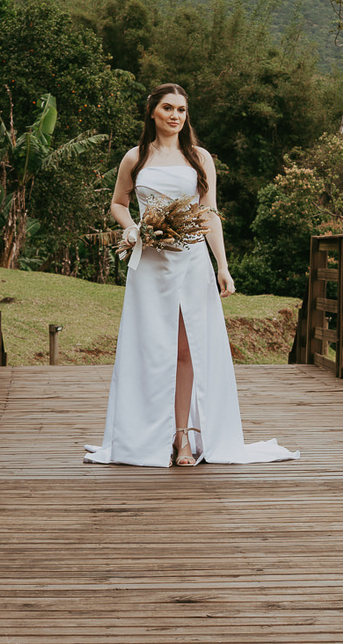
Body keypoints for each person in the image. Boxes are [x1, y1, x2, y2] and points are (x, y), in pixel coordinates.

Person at [83, 83, 297, 467]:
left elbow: (208, 214)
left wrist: (223, 266)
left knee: (186, 349)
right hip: (149, 264)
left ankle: (182, 436)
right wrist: (133, 229)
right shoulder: (135, 158)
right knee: (148, 348)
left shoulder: (199, 158)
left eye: (181, 110)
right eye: (167, 108)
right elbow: (118, 202)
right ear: (152, 111)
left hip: (191, 263)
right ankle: (144, 436)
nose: (175, 116)